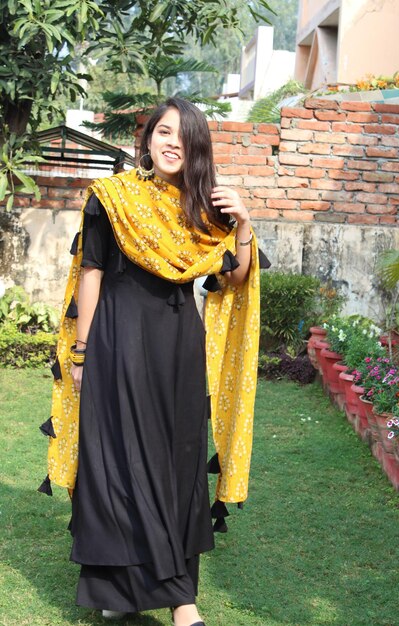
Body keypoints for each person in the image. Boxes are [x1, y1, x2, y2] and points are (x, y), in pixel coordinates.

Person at [39, 97, 266, 625]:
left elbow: (233, 277)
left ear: (196, 151)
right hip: (117, 339)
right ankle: (160, 598)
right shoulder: (113, 198)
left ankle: (147, 593)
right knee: (117, 461)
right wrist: (81, 350)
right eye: (164, 132)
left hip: (177, 348)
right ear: (147, 139)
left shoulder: (203, 210)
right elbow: (91, 273)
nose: (172, 144)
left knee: (177, 464)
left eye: (184, 138)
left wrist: (246, 222)